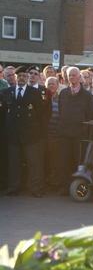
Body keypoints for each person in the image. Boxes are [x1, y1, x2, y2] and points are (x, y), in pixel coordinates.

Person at [1, 66, 46, 197]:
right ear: (15, 77)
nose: (21, 78)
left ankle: (34, 188)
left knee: (33, 163)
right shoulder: (8, 92)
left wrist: (41, 133)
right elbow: (5, 114)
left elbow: (40, 114)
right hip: (13, 134)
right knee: (14, 163)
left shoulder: (34, 92)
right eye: (19, 76)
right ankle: (13, 187)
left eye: (24, 76)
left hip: (31, 134)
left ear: (28, 78)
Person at [57, 67, 93, 196]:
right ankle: (64, 187)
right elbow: (60, 111)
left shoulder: (87, 96)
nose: (72, 77)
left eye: (74, 75)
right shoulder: (63, 93)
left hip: (79, 134)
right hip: (64, 133)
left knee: (77, 162)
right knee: (63, 162)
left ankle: (76, 187)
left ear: (80, 77)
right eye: (70, 75)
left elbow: (91, 116)